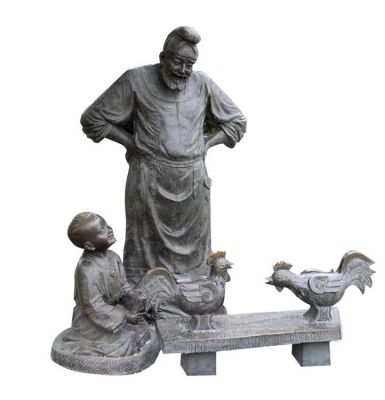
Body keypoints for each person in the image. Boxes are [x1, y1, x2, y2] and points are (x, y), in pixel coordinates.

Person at [81, 26, 247, 285]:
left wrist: (207, 143)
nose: (183, 70)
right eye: (178, 62)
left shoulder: (203, 84)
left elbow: (237, 122)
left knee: (196, 262)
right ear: (163, 57)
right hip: (149, 177)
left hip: (192, 180)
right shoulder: (136, 79)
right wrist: (131, 143)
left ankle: (198, 297)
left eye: (189, 65)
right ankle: (142, 297)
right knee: (144, 256)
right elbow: (93, 119)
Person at [59, 212, 150, 357]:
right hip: (92, 320)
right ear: (89, 245)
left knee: (143, 326)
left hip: (114, 311)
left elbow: (124, 286)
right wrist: (126, 316)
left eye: (106, 225)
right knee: (127, 340)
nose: (109, 230)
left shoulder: (113, 257)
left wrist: (135, 299)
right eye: (102, 231)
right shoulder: (87, 269)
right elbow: (94, 307)